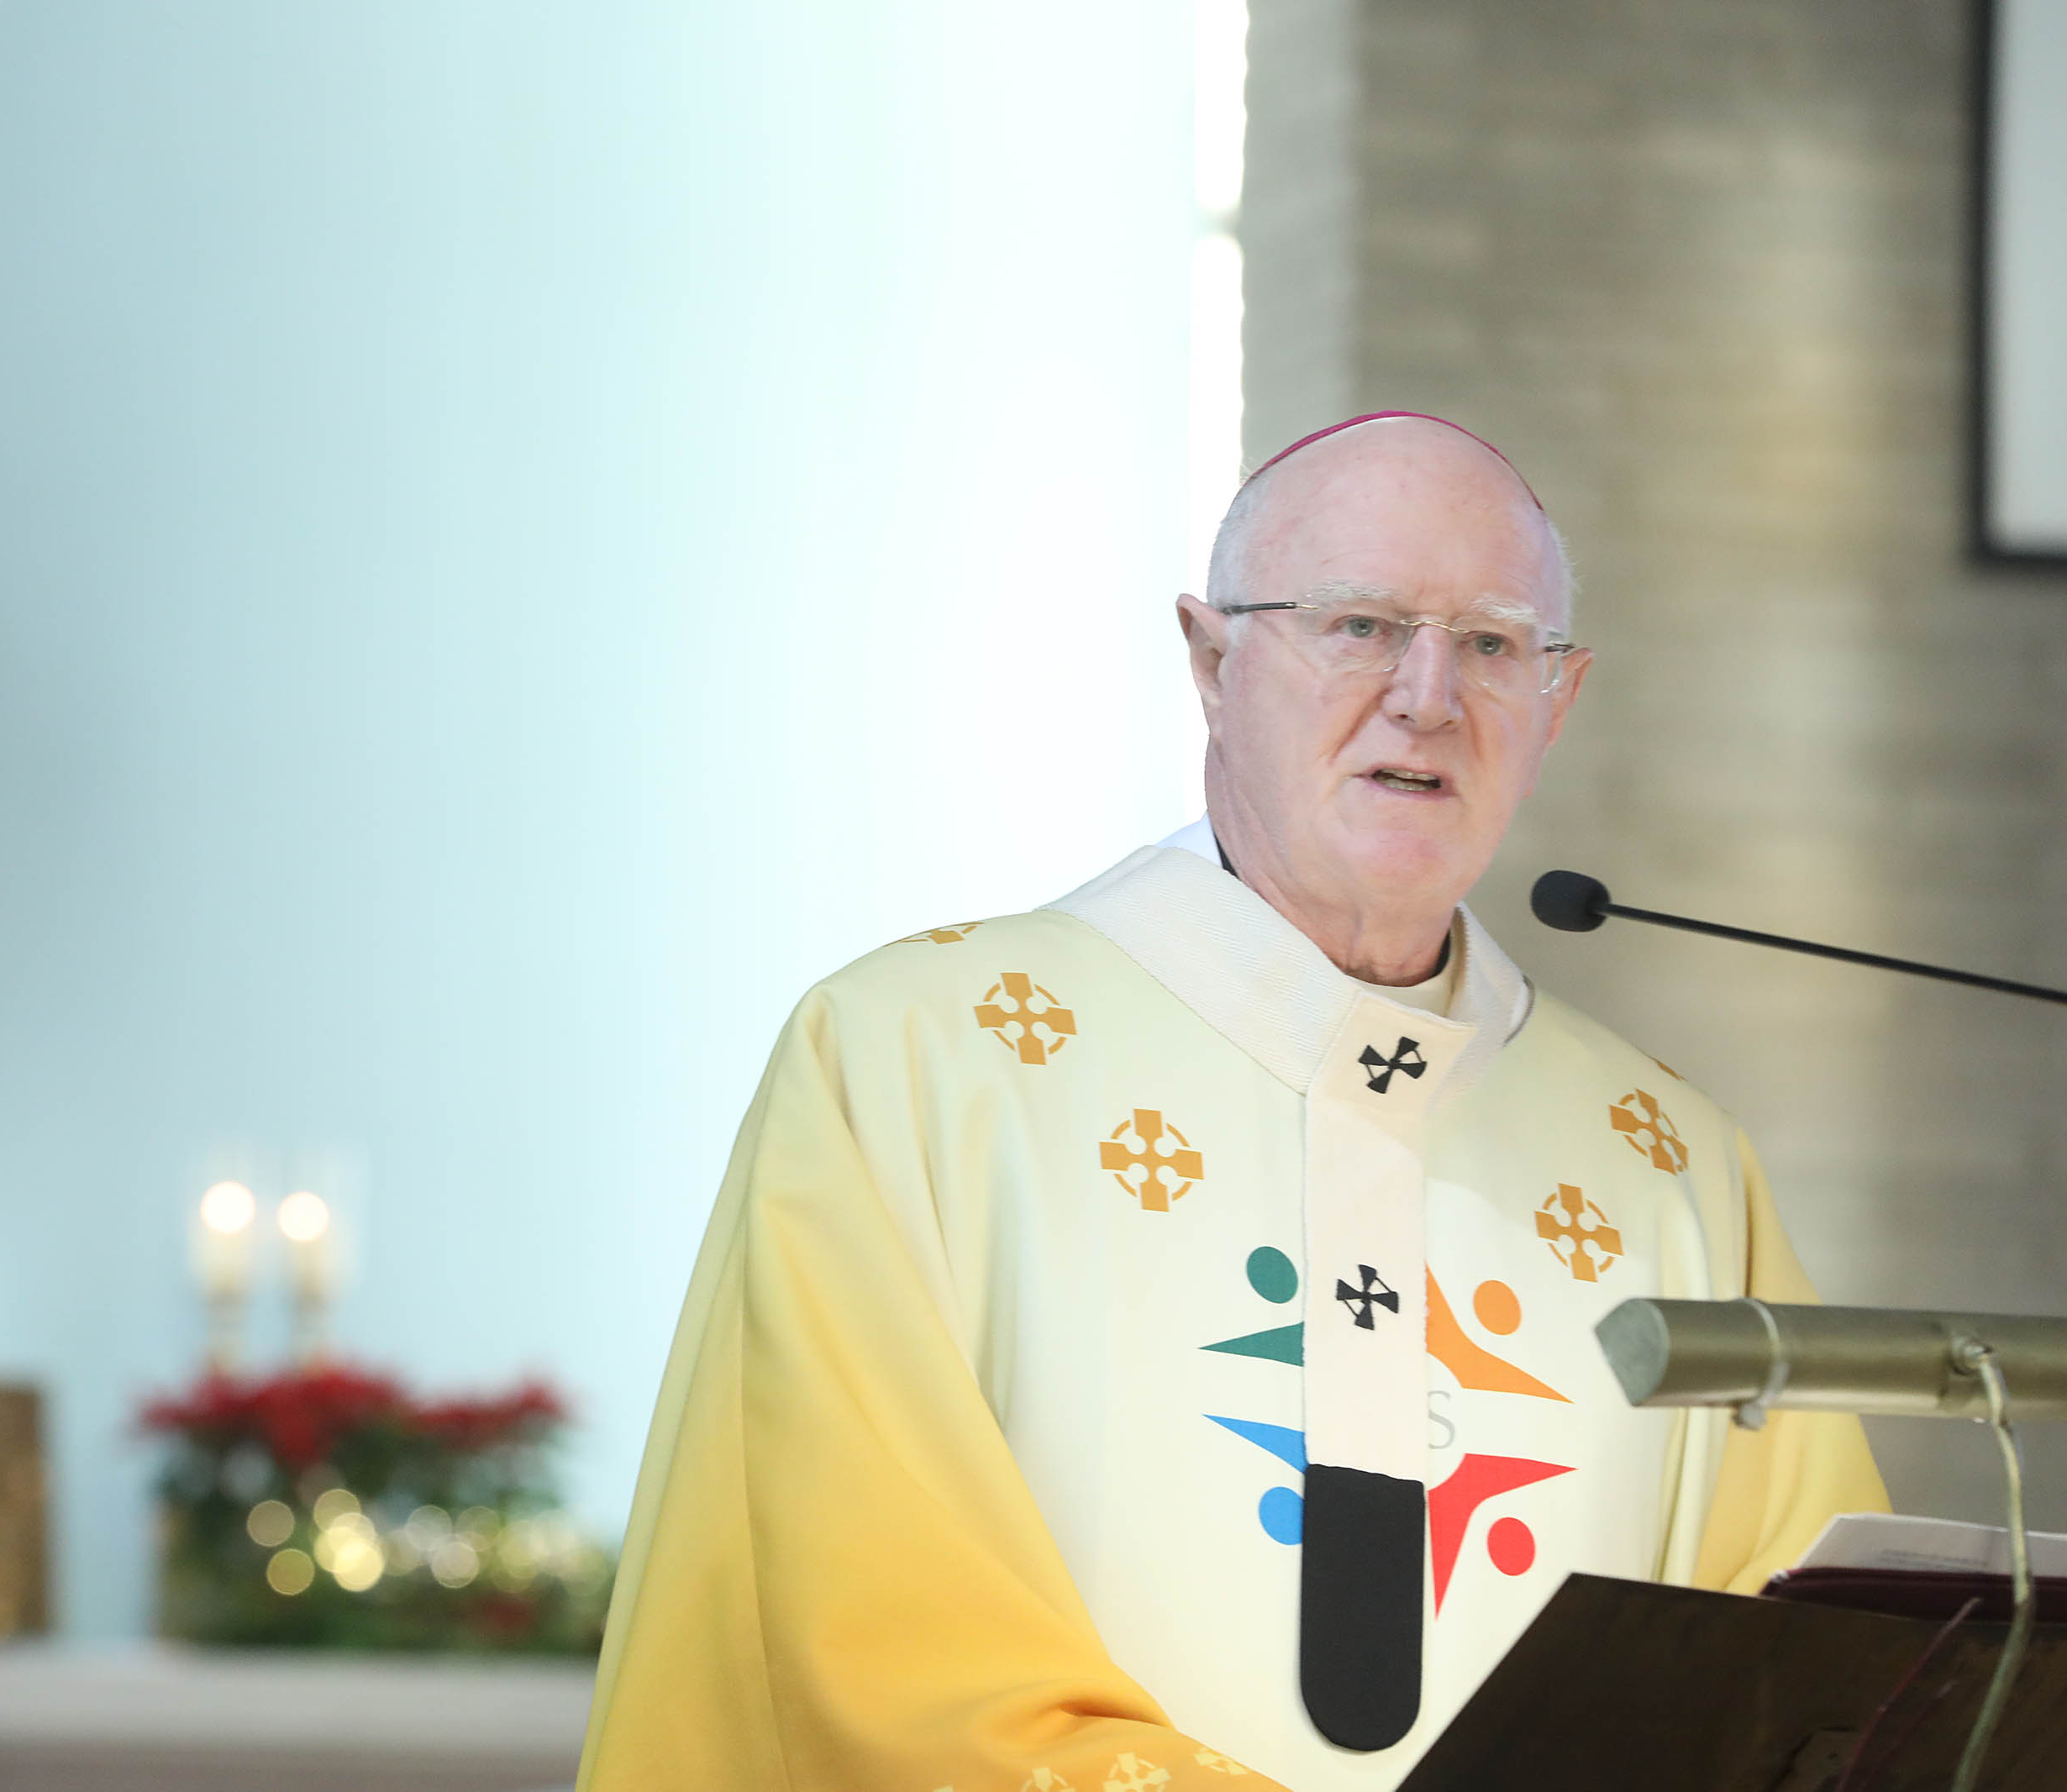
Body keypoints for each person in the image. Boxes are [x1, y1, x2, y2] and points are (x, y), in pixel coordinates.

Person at [576, 413, 1887, 1792]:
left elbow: (1824, 1674)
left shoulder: (1674, 1168)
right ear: (1211, 661)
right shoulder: (913, 1065)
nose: (1428, 697)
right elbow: (861, 1648)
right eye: (1362, 625)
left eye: (1495, 644)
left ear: (1559, 703)